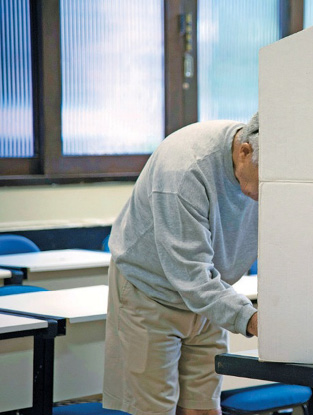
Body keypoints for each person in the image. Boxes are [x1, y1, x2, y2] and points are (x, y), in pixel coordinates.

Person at [103, 113, 260, 415]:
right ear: (244, 151)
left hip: (212, 293)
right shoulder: (185, 168)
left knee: (204, 406)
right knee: (154, 409)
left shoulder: (264, 169)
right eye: (262, 178)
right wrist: (250, 319)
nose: (263, 192)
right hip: (151, 292)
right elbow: (190, 275)